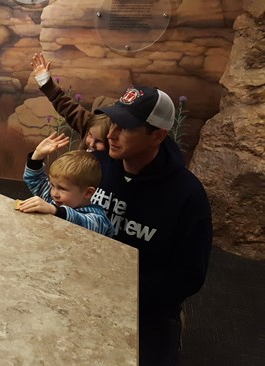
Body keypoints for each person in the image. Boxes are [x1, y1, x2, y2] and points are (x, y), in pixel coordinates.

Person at [31, 53, 213, 365]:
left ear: (157, 135)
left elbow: (188, 276)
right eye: (113, 123)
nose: (111, 135)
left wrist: (117, 286)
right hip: (81, 283)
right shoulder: (98, 163)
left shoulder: (187, 195)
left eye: (126, 128)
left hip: (145, 305)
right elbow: (65, 206)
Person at [20, 132, 114, 237]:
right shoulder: (53, 200)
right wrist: (37, 155)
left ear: (88, 193)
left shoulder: (98, 219)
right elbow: (35, 179)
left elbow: (81, 222)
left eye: (62, 189)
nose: (54, 193)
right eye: (52, 185)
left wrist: (54, 210)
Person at [31, 53, 111, 152]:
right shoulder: (91, 124)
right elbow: (68, 108)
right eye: (89, 135)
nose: (91, 144)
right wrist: (45, 81)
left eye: (99, 141)